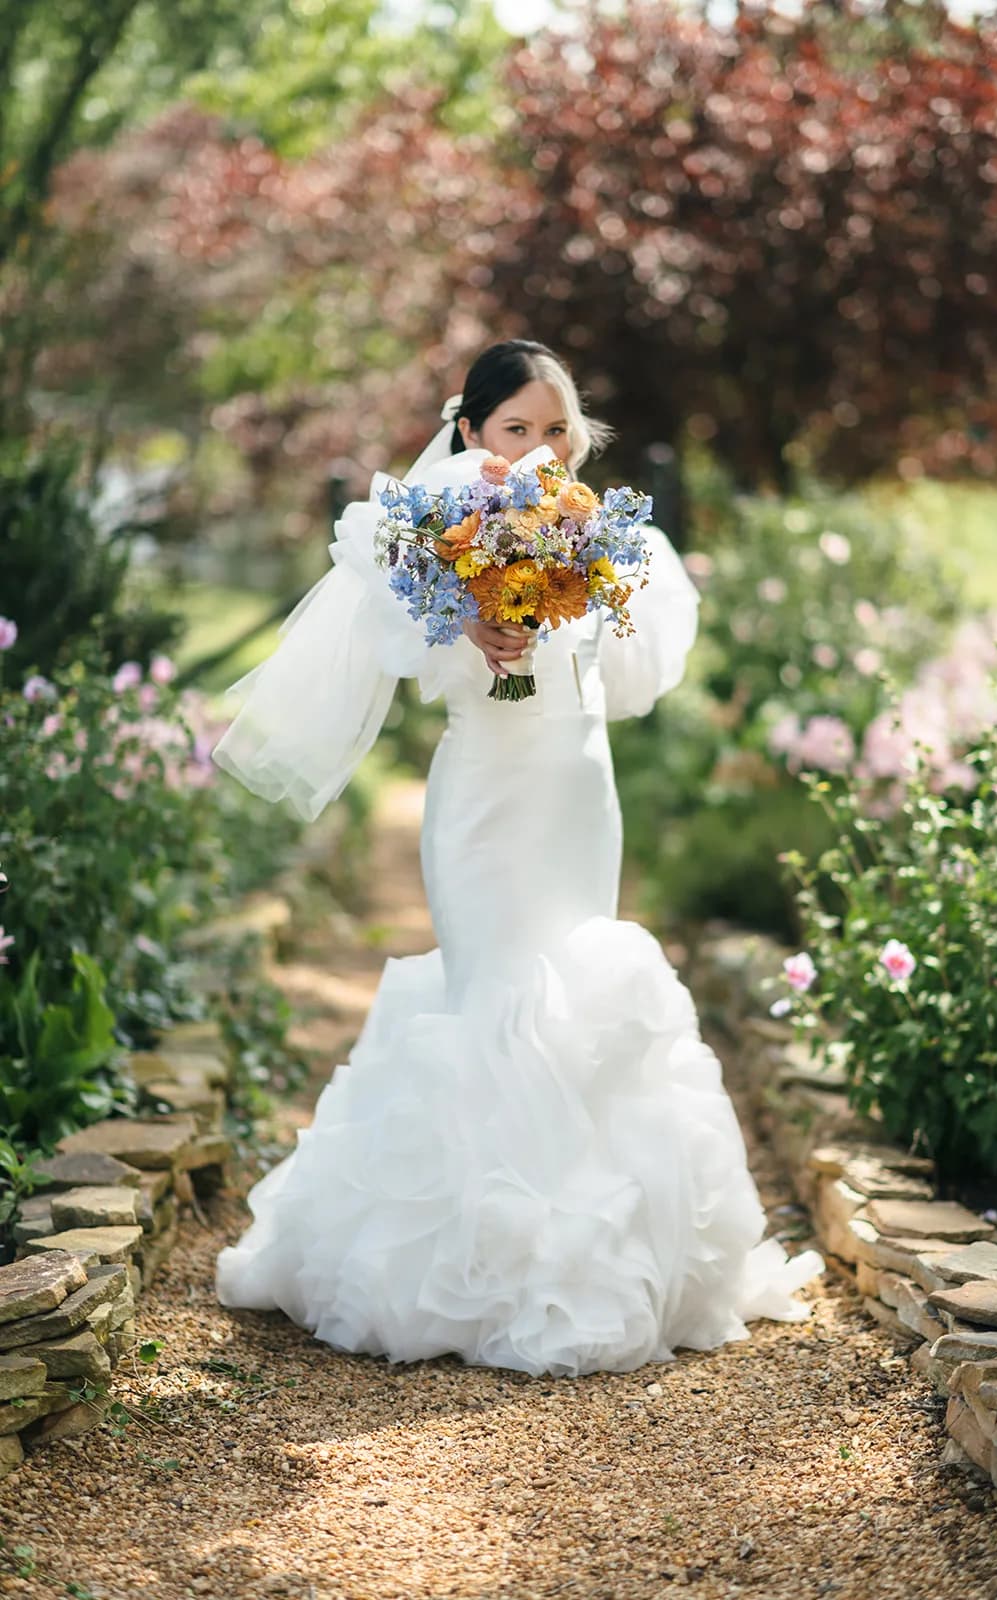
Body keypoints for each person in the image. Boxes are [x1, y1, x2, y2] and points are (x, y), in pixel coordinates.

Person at [212, 339, 823, 1377]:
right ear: (468, 431)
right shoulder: (428, 524)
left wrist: (578, 593)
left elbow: (626, 678)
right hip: (483, 797)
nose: (538, 450)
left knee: (577, 987)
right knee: (490, 988)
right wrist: (470, 629)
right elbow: (400, 655)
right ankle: (475, 1260)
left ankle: (590, 1251)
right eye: (515, 429)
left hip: (576, 790)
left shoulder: (591, 527)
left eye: (555, 431)